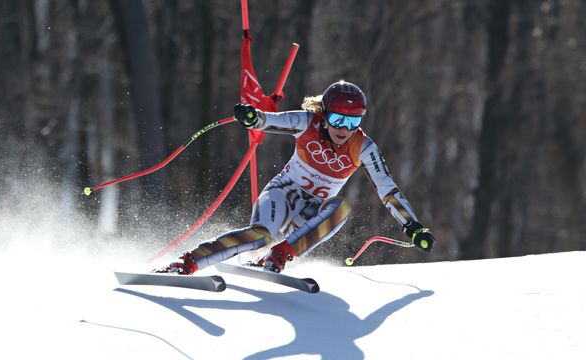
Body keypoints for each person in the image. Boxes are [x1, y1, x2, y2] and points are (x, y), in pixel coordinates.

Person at [156, 81, 435, 275]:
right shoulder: (307, 122)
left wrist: (412, 225)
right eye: (338, 120)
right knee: (260, 235)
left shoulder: (363, 147)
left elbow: (388, 189)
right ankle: (188, 263)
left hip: (310, 213)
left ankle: (279, 255)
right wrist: (252, 117)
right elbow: (267, 120)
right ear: (324, 114)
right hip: (283, 193)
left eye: (353, 122)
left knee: (342, 208)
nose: (344, 129)